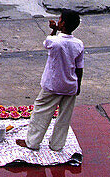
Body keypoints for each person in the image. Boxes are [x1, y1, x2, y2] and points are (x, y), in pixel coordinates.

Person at [16, 11, 84, 153]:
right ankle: (57, 145)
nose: (58, 21)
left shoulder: (55, 41)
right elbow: (79, 68)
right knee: (64, 116)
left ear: (63, 23)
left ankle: (32, 142)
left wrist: (54, 29)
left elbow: (47, 42)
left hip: (53, 85)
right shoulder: (79, 44)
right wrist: (78, 86)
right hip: (71, 85)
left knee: (41, 111)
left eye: (60, 20)